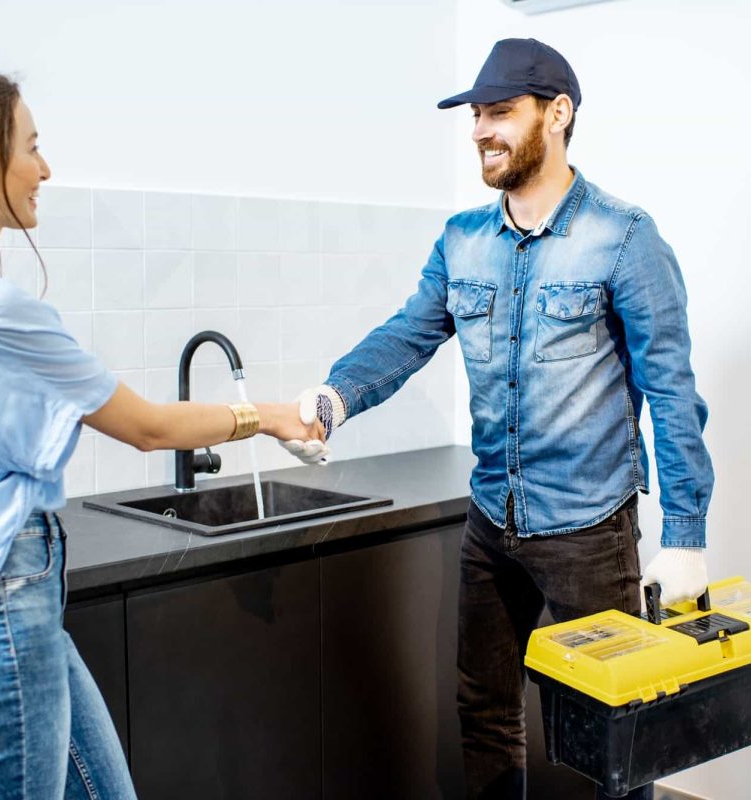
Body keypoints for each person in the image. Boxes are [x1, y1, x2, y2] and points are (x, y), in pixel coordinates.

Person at [282, 38, 713, 800]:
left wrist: (685, 535)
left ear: (559, 113)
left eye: (500, 112)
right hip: (492, 523)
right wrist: (335, 397)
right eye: (476, 114)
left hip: (589, 530)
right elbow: (409, 333)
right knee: (484, 712)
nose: (481, 129)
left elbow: (674, 394)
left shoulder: (624, 238)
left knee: (612, 733)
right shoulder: (462, 240)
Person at [0, 69, 325, 800]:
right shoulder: (2, 313)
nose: (47, 169)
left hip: (15, 591)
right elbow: (148, 427)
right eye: (31, 148)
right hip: (7, 593)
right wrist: (273, 416)